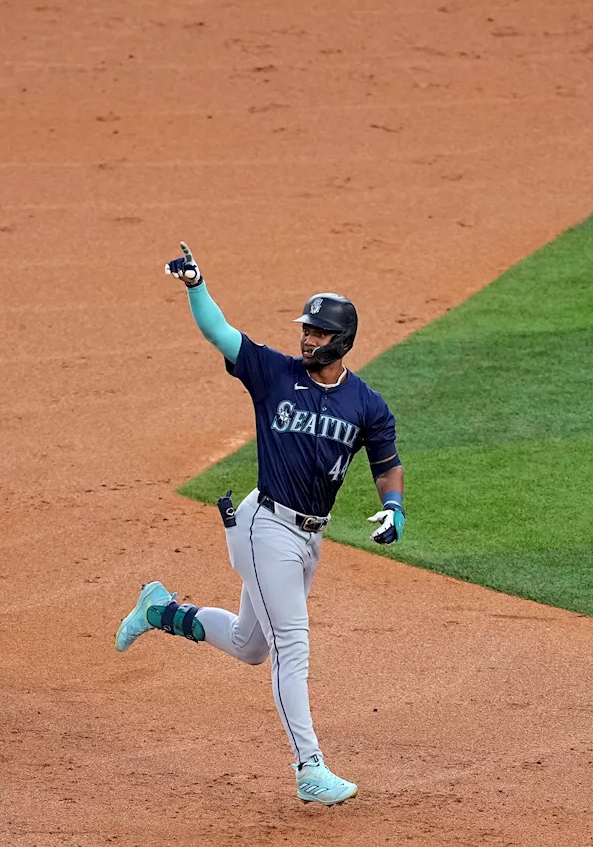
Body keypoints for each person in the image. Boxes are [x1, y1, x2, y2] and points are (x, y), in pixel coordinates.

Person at [115, 243, 407, 806]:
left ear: (342, 340)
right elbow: (220, 332)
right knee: (292, 648)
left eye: (319, 333)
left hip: (309, 538)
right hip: (264, 527)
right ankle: (309, 767)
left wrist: (393, 507)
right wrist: (196, 284)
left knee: (252, 645)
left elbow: (386, 465)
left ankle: (160, 610)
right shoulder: (274, 373)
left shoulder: (367, 405)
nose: (308, 338)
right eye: (307, 329)